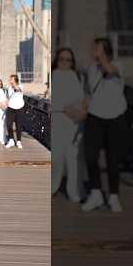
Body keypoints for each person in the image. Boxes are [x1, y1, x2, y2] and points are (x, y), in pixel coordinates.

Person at [81, 37, 128, 213]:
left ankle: (114, 196)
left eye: (97, 48)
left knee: (113, 159)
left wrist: (101, 57)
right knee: (90, 156)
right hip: (94, 116)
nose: (93, 50)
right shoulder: (92, 68)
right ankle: (96, 193)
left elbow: (111, 70)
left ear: (105, 50)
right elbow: (89, 90)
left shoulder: (118, 65)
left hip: (115, 117)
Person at [51, 48, 87, 202]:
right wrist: (67, 109)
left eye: (68, 60)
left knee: (73, 158)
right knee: (57, 158)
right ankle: (53, 187)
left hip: (75, 122)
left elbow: (82, 97)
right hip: (59, 120)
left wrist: (80, 112)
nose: (65, 62)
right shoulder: (53, 76)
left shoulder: (77, 76)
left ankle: (73, 192)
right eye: (62, 59)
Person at [5, 74, 25, 149]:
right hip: (10, 108)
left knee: (18, 125)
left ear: (15, 80)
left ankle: (19, 141)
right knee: (9, 124)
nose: (10, 80)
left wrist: (14, 85)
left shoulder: (21, 86)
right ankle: (11, 140)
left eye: (11, 79)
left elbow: (18, 89)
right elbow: (8, 97)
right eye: (10, 79)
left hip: (19, 108)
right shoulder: (9, 88)